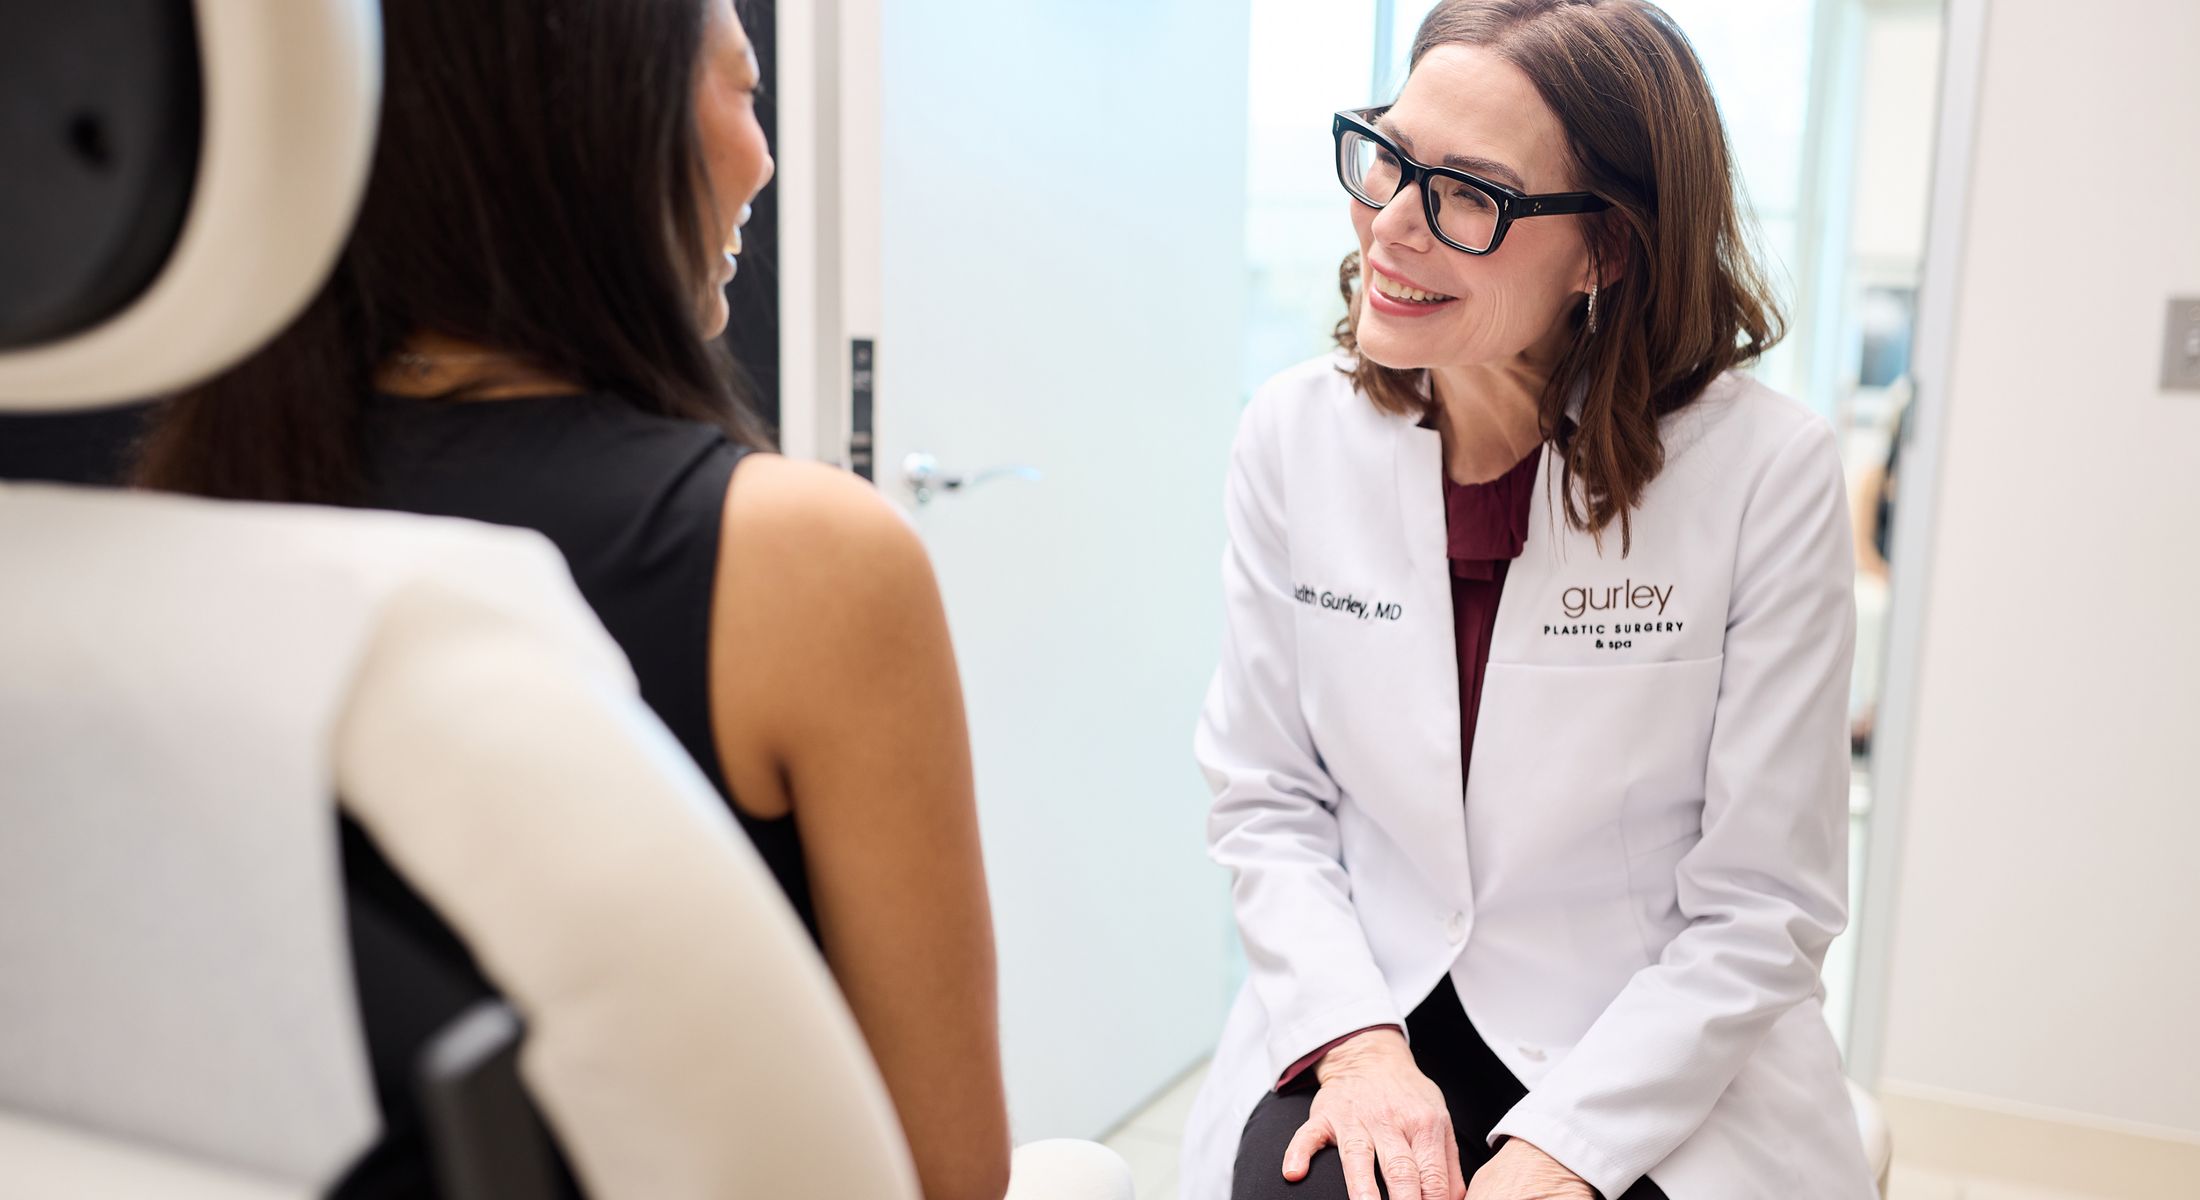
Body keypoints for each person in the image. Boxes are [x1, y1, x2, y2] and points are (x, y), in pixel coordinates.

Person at [133, 2, 1009, 1197]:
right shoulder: (807, 560)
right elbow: (947, 1170)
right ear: (598, 119)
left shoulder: (194, 507)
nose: (761, 156)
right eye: (743, 91)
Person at [1181, 2, 1874, 1198]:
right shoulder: (1291, 437)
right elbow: (1267, 800)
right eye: (1388, 158)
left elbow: (1763, 904)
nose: (1392, 226)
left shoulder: (1765, 475)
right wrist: (1355, 1048)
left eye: (1467, 195)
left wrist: (1562, 1155)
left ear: (1603, 249)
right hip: (1374, 1004)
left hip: (1648, 1045)